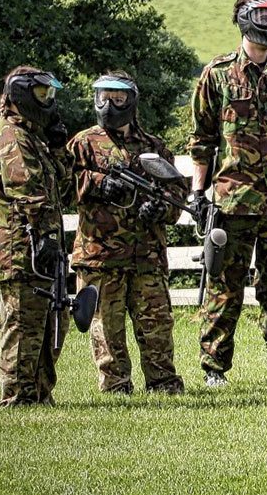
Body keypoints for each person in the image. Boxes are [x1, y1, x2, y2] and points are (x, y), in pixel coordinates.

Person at [189, 0, 267, 387]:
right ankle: (214, 368)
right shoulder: (218, 74)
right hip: (232, 201)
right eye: (264, 16)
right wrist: (198, 193)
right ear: (244, 19)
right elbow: (202, 139)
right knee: (225, 288)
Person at [68, 73, 184, 395]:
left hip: (146, 255)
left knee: (157, 326)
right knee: (107, 329)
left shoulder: (153, 147)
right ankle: (116, 388)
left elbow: (177, 197)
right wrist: (98, 184)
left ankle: (163, 384)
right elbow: (62, 185)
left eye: (117, 98)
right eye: (103, 96)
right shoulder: (83, 144)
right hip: (100, 256)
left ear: (131, 100)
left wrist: (161, 209)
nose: (109, 104)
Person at [0, 68, 73, 406]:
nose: (47, 102)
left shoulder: (32, 135)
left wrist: (58, 147)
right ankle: (17, 396)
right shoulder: (11, 136)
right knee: (24, 321)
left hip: (41, 241)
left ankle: (39, 392)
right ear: (21, 94)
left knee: (52, 317)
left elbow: (62, 186)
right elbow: (28, 192)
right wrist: (46, 232)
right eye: (41, 94)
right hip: (20, 245)